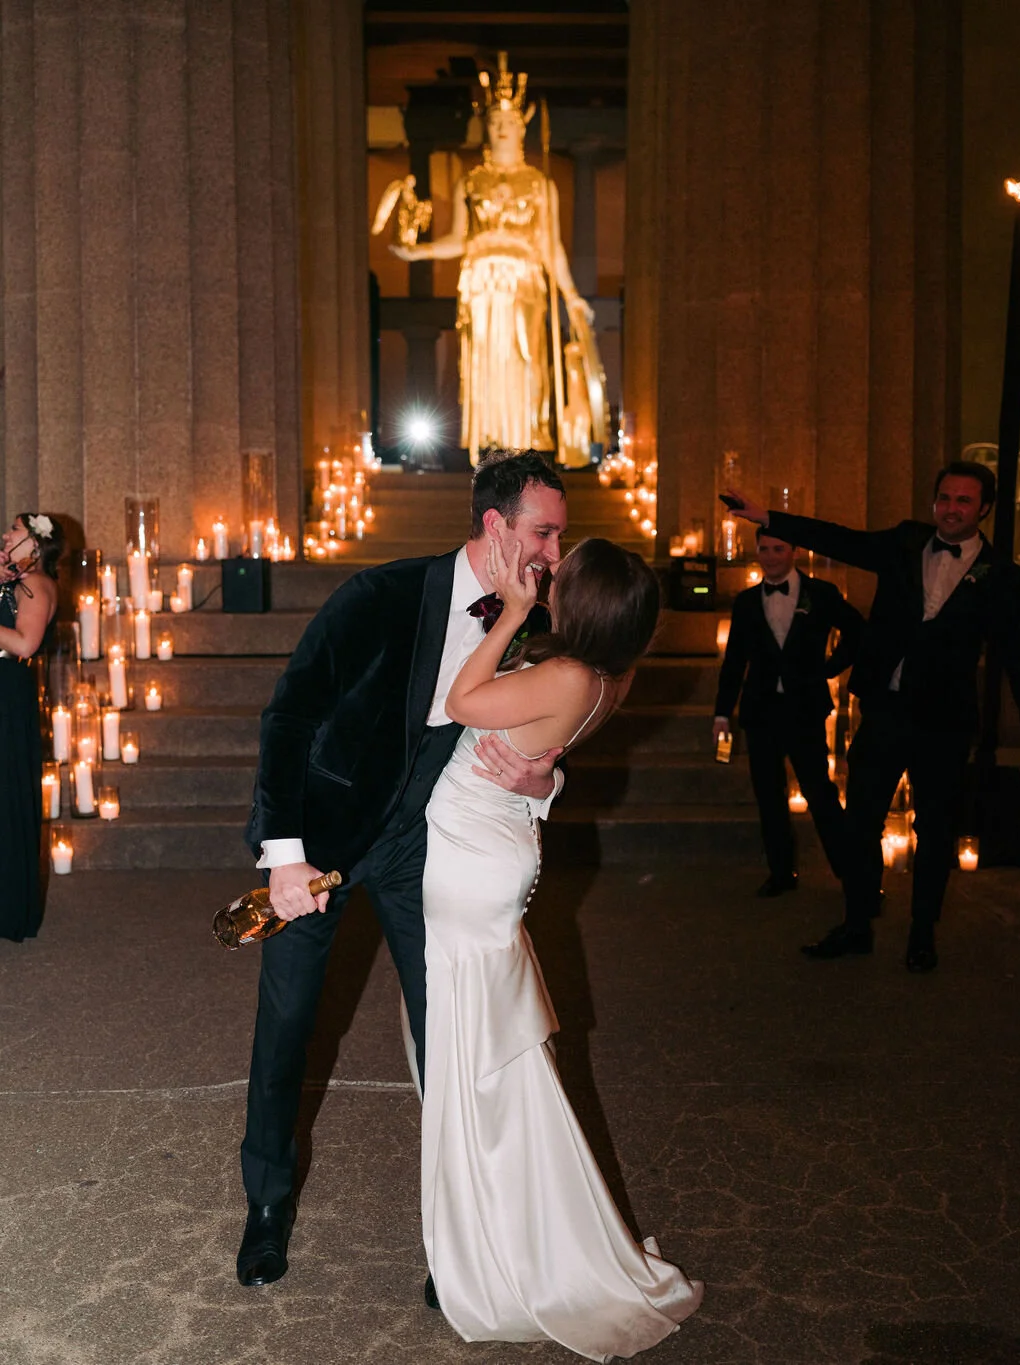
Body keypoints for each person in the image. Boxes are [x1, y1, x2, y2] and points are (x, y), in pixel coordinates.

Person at [237, 451, 568, 1288]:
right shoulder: (376, 597)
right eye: (544, 533)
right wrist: (285, 856)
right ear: (496, 527)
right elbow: (289, 718)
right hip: (322, 843)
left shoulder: (539, 620)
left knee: (449, 1035)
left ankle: (457, 1233)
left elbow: (552, 731)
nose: (556, 554)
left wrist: (546, 779)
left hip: (428, 849)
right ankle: (268, 1202)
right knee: (286, 1025)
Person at [419, 535, 703, 1359]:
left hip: (472, 860)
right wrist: (543, 779)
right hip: (495, 844)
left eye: (562, 572)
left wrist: (510, 609)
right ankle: (503, 1210)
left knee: (483, 1056)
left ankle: (503, 1237)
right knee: (489, 1048)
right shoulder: (607, 673)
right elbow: (541, 748)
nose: (550, 573)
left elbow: (461, 701)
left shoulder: (569, 672)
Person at [726, 462, 1020, 971]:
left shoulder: (1001, 577)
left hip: (945, 723)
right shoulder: (906, 542)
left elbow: (1016, 656)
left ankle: (922, 934)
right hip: (885, 711)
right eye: (945, 498)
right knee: (860, 823)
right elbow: (842, 541)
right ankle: (856, 924)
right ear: (934, 502)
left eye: (964, 501)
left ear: (985, 510)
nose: (951, 508)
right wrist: (771, 517)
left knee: (934, 832)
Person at [387, 54, 606, 466]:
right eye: (495, 121)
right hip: (481, 280)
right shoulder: (471, 180)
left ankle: (524, 440)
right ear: (486, 127)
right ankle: (488, 442)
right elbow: (459, 239)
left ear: (522, 126)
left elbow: (550, 245)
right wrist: (420, 251)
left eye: (509, 120)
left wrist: (572, 295)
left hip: (523, 279)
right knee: (484, 358)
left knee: (524, 356)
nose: (502, 128)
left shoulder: (540, 183)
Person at [713, 528, 865, 897]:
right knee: (769, 795)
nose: (770, 556)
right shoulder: (747, 601)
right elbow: (734, 661)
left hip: (805, 709)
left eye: (778, 548)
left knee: (821, 793)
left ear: (794, 550)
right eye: (763, 549)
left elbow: (858, 630)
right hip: (760, 710)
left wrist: (830, 668)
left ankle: (852, 875)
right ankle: (781, 873)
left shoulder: (821, 593)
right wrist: (721, 713)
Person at [0, 513, 63, 942]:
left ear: (37, 545)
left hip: (7, 690)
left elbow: (25, 643)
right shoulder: (11, 580)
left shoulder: (38, 584)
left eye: (15, 531)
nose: (6, 535)